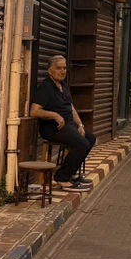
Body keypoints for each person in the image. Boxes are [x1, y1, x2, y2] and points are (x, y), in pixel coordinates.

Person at [29, 55, 96, 192]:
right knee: (81, 144)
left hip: (68, 125)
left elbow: (71, 108)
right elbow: (34, 111)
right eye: (58, 68)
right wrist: (54, 115)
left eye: (64, 68)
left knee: (90, 138)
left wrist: (80, 125)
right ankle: (62, 178)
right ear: (49, 71)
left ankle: (70, 174)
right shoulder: (46, 87)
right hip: (52, 128)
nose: (62, 71)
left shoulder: (63, 86)